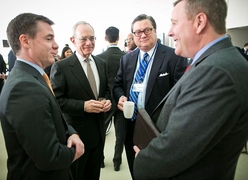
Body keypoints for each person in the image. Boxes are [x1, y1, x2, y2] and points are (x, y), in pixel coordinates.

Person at [133, 0, 248, 179]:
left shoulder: (215, 72)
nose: (170, 32)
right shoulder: (212, 62)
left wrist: (143, 161)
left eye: (174, 23)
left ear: (199, 22)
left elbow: (176, 148)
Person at [0, 13, 84, 180]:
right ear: (25, 41)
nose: (56, 45)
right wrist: (77, 150)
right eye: (48, 38)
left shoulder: (33, 77)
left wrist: (71, 133)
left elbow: (53, 116)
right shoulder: (24, 87)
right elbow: (50, 158)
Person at [112, 14, 187, 179]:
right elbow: (117, 85)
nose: (142, 35)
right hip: (131, 127)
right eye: (137, 32)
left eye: (147, 30)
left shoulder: (173, 56)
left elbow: (182, 93)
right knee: (135, 170)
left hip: (159, 130)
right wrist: (121, 97)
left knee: (159, 173)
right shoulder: (127, 59)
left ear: (155, 31)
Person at [50, 21, 112, 180]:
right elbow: (57, 102)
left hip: (99, 133)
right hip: (76, 136)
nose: (89, 43)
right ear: (73, 40)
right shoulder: (61, 67)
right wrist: (83, 106)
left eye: (92, 38)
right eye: (83, 39)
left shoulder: (101, 63)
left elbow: (105, 90)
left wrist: (106, 100)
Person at [96, 26, 126, 171]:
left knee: (101, 132)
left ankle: (100, 160)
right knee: (120, 134)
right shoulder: (126, 57)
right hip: (121, 100)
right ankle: (116, 162)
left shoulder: (99, 58)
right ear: (119, 37)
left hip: (105, 101)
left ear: (105, 38)